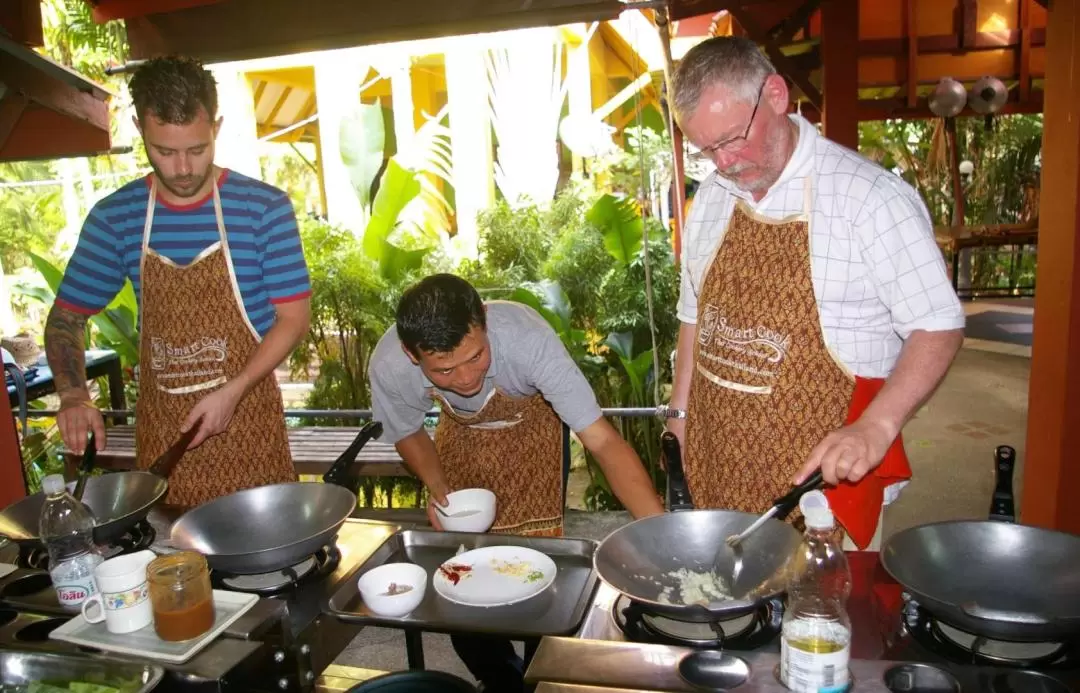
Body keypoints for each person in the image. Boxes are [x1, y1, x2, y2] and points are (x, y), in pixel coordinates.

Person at [665, 37, 965, 550]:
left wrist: (877, 426)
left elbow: (937, 323)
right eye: (708, 149)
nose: (726, 162)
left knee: (820, 624)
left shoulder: (868, 199)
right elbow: (694, 318)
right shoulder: (714, 198)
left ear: (776, 95)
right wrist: (678, 415)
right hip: (716, 475)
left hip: (824, 494)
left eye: (734, 138)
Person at [370, 273, 663, 692]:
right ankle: (502, 678)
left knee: (540, 564)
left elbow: (601, 440)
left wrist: (659, 535)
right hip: (460, 436)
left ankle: (538, 671)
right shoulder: (389, 365)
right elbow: (407, 432)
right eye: (445, 369)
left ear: (485, 323)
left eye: (476, 357)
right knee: (460, 570)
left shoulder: (528, 340)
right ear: (411, 354)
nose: (467, 378)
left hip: (533, 427)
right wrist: (440, 491)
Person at [45, 56, 311, 507]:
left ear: (217, 127)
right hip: (164, 444)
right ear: (139, 128)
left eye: (197, 148)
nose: (183, 168)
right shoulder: (117, 218)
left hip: (252, 434)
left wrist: (234, 389)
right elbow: (66, 316)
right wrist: (73, 394)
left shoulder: (263, 209)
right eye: (165, 152)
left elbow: (294, 318)